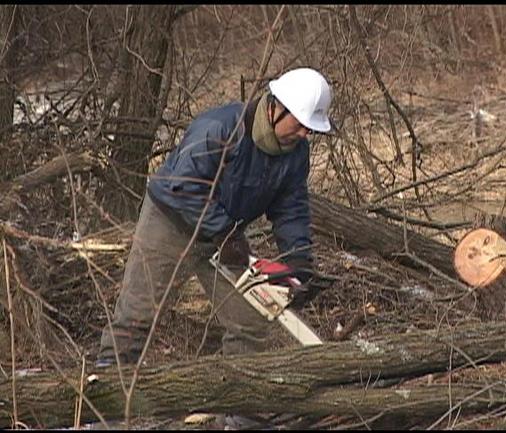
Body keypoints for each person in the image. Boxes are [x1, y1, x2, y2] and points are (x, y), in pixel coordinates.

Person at [95, 67, 332, 369]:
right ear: (276, 107)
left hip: (227, 239)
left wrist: (299, 260)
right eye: (300, 125)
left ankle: (244, 411)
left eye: (309, 130)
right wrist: (225, 232)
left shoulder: (295, 154)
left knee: (250, 323)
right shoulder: (218, 128)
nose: (303, 134)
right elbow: (184, 186)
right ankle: (107, 396)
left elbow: (292, 207)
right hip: (170, 223)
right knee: (136, 317)